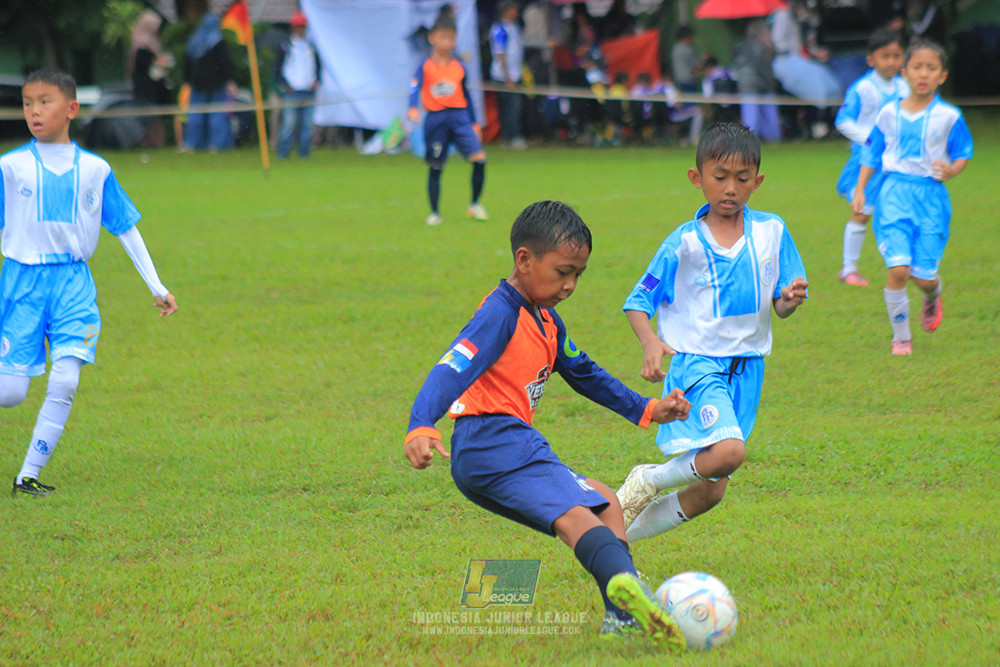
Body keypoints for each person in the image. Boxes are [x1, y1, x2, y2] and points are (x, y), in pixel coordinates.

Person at [403, 200, 690, 649]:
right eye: (563, 272)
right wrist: (422, 423)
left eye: (578, 274)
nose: (571, 285)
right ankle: (630, 597)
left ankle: (622, 614)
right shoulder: (500, 313)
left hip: (497, 447)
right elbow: (453, 365)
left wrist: (648, 409)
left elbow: (586, 374)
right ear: (524, 259)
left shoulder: (544, 320)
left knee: (604, 503)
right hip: (493, 439)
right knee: (577, 518)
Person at [616, 123, 808, 543]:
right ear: (696, 178)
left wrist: (789, 300)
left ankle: (614, 543)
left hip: (749, 369)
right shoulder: (683, 243)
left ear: (757, 181)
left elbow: (779, 304)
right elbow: (638, 300)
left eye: (742, 179)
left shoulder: (773, 231)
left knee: (711, 490)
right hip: (698, 365)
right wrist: (651, 342)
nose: (730, 189)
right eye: (719, 177)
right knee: (730, 452)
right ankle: (650, 477)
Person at [0, 69, 178, 497]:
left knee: (66, 380)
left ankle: (27, 476)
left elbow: (125, 228)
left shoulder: (97, 170)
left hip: (74, 285)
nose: (34, 111)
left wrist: (157, 285)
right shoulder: (11, 167)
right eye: (27, 103)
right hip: (22, 283)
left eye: (44, 101)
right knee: (10, 394)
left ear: (72, 109)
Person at [852, 39, 973, 356]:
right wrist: (861, 188)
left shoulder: (948, 116)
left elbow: (962, 152)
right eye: (917, 67)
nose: (923, 74)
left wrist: (952, 170)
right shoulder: (889, 113)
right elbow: (872, 153)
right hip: (894, 193)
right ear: (905, 72)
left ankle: (932, 295)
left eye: (931, 68)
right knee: (898, 270)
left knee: (923, 277)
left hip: (931, 197)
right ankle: (901, 338)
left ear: (942, 75)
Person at [834, 29, 908, 287]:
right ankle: (849, 269)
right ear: (871, 59)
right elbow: (842, 120)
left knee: (898, 212)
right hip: (866, 163)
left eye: (897, 55)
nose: (891, 62)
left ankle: (903, 263)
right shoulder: (863, 88)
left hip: (896, 163)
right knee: (862, 212)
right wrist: (869, 140)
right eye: (885, 56)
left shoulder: (904, 86)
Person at [408, 16, 488, 226]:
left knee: (479, 159)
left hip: (460, 117)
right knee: (436, 166)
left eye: (451, 38)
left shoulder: (459, 66)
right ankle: (434, 212)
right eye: (442, 37)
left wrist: (474, 122)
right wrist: (413, 107)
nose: (446, 43)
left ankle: (475, 204)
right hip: (437, 119)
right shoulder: (425, 66)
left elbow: (467, 96)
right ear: (432, 38)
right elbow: (414, 87)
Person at [183, 9, 235, 152]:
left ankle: (192, 144)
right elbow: (224, 63)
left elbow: (187, 63)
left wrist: (187, 81)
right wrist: (229, 79)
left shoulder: (194, 40)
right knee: (217, 115)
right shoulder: (218, 41)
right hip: (217, 83)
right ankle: (216, 145)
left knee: (195, 115)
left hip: (197, 83)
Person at [274, 11, 322, 159]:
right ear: (292, 28)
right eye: (297, 26)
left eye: (302, 26)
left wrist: (316, 81)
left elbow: (318, 67)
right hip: (292, 92)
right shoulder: (286, 46)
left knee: (307, 126)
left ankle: (304, 154)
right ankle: (283, 154)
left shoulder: (311, 47)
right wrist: (285, 85)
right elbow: (278, 69)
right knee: (289, 125)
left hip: (308, 92)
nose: (300, 29)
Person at [130, 9, 174, 149]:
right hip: (145, 90)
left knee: (157, 117)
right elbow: (146, 68)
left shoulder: (154, 44)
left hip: (155, 90)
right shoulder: (141, 47)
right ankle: (148, 142)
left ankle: (158, 142)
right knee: (148, 118)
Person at [732, 19, 781, 143]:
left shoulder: (740, 44)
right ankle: (773, 139)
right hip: (761, 84)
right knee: (769, 116)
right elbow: (763, 67)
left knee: (749, 116)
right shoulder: (763, 47)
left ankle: (749, 142)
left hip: (745, 84)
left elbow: (736, 61)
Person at [489, 1, 527, 149]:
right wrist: (507, 77)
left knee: (515, 107)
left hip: (515, 74)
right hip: (503, 76)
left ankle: (512, 137)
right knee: (510, 108)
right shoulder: (499, 29)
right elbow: (500, 53)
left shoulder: (515, 27)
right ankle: (511, 137)